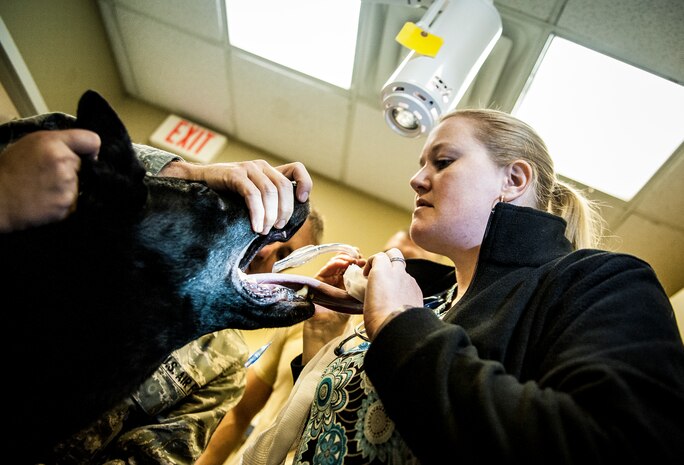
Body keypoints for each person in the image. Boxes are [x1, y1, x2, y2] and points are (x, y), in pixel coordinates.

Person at [243, 108, 684, 464]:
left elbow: (615, 445)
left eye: (443, 161)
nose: (416, 180)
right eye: (421, 166)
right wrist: (321, 342)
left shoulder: (600, 282)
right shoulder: (431, 299)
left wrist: (399, 324)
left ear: (513, 180)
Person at [0, 112, 313, 464]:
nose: (269, 248)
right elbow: (37, 145)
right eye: (261, 221)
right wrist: (190, 174)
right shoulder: (108, 231)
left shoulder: (224, 365)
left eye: (285, 250)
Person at [197, 229, 446, 465]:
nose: (387, 268)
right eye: (386, 255)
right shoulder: (304, 315)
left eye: (407, 262)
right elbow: (240, 412)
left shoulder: (418, 354)